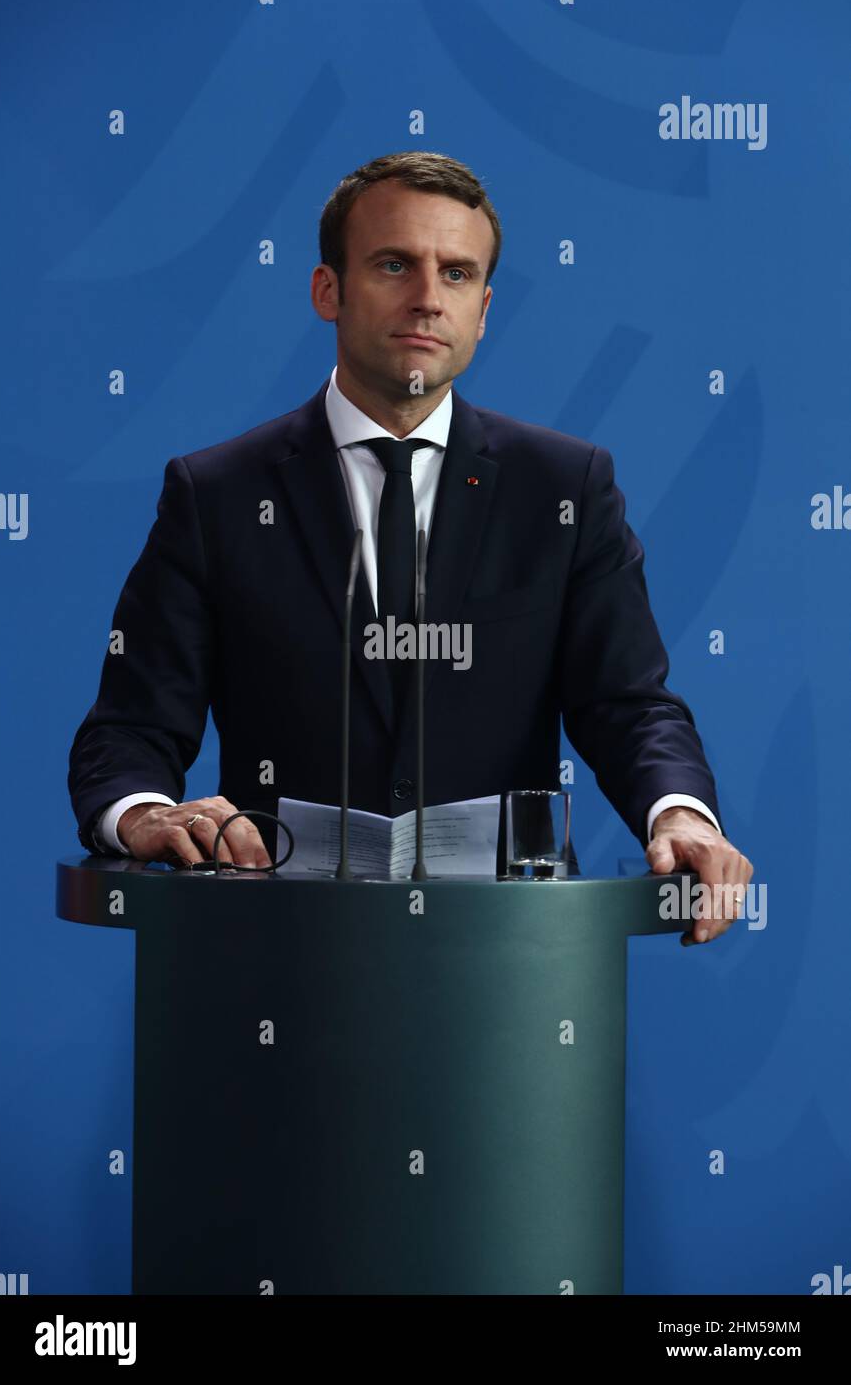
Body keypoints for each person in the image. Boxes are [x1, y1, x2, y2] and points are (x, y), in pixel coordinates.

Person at [68, 150, 753, 943]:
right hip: (272, 957)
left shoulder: (566, 488)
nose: (428, 299)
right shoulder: (215, 494)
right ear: (329, 289)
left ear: (485, 309)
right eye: (395, 264)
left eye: (457, 274)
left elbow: (629, 704)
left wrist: (681, 812)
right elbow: (129, 728)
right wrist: (145, 812)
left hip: (506, 967)